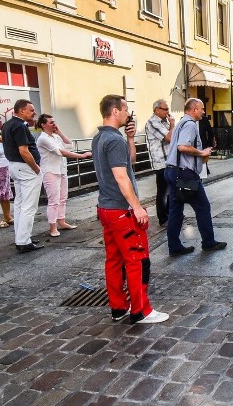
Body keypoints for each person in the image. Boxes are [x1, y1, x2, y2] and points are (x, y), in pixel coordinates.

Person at [92, 94, 168, 324]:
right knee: (137, 260)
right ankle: (140, 310)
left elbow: (129, 163)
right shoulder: (113, 140)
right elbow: (121, 176)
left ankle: (118, 308)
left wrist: (131, 139)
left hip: (106, 209)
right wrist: (137, 207)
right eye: (125, 109)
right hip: (121, 210)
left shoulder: (101, 137)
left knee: (114, 260)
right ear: (115, 111)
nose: (128, 114)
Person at [164, 98, 227, 256]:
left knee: (175, 211)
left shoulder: (180, 123)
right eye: (202, 109)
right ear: (193, 110)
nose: (204, 112)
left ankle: (174, 247)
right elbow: (183, 146)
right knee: (203, 207)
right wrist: (202, 152)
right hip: (185, 173)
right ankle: (208, 242)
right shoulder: (190, 124)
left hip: (172, 171)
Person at [36, 114, 92, 237]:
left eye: (54, 122)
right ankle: (53, 227)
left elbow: (69, 144)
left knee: (63, 198)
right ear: (43, 125)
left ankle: (61, 221)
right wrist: (81, 156)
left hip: (61, 170)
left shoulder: (55, 137)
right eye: (51, 122)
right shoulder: (43, 139)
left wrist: (59, 131)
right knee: (53, 200)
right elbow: (60, 152)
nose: (54, 124)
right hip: (50, 171)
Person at [1, 99, 44, 253]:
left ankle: (21, 237)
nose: (34, 113)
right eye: (31, 110)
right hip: (25, 167)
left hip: (14, 166)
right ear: (21, 111)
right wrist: (36, 168)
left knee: (20, 204)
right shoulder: (19, 126)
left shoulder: (8, 124)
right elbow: (24, 151)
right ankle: (24, 241)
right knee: (29, 206)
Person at [144, 99, 174, 226]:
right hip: (160, 162)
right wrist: (172, 125)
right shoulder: (153, 122)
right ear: (157, 110)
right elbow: (169, 137)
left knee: (171, 189)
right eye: (165, 109)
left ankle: (170, 213)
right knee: (162, 190)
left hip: (169, 160)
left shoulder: (163, 121)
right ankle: (163, 217)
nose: (168, 112)